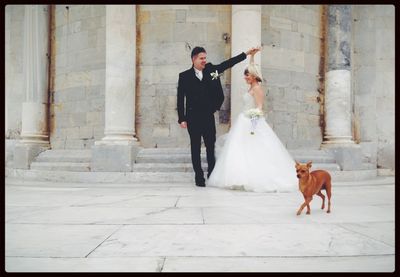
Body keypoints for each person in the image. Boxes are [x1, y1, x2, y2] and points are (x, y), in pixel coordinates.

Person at [207, 49, 298, 192]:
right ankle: (238, 179)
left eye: (247, 75)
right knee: (240, 150)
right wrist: (252, 57)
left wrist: (253, 126)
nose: (245, 77)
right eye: (245, 75)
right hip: (243, 120)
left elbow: (260, 108)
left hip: (251, 122)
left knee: (253, 151)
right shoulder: (252, 86)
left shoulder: (257, 89)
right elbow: (252, 68)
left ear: (254, 76)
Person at [177, 46, 259, 187]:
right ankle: (199, 177)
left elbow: (228, 63)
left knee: (210, 147)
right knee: (195, 147)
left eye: (205, 58)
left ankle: (212, 174)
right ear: (194, 59)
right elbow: (180, 99)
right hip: (193, 118)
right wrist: (182, 118)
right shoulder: (184, 76)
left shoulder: (211, 70)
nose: (204, 60)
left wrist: (246, 54)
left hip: (208, 117)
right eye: (201, 58)